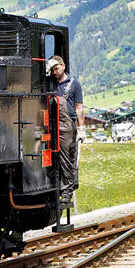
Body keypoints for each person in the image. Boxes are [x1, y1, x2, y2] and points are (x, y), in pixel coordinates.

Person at [47, 55, 85, 204]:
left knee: (66, 159)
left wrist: (81, 128)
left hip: (67, 126)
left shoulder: (74, 84)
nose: (54, 72)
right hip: (51, 125)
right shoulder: (49, 82)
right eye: (52, 70)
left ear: (63, 66)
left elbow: (79, 108)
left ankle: (67, 191)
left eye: (56, 69)